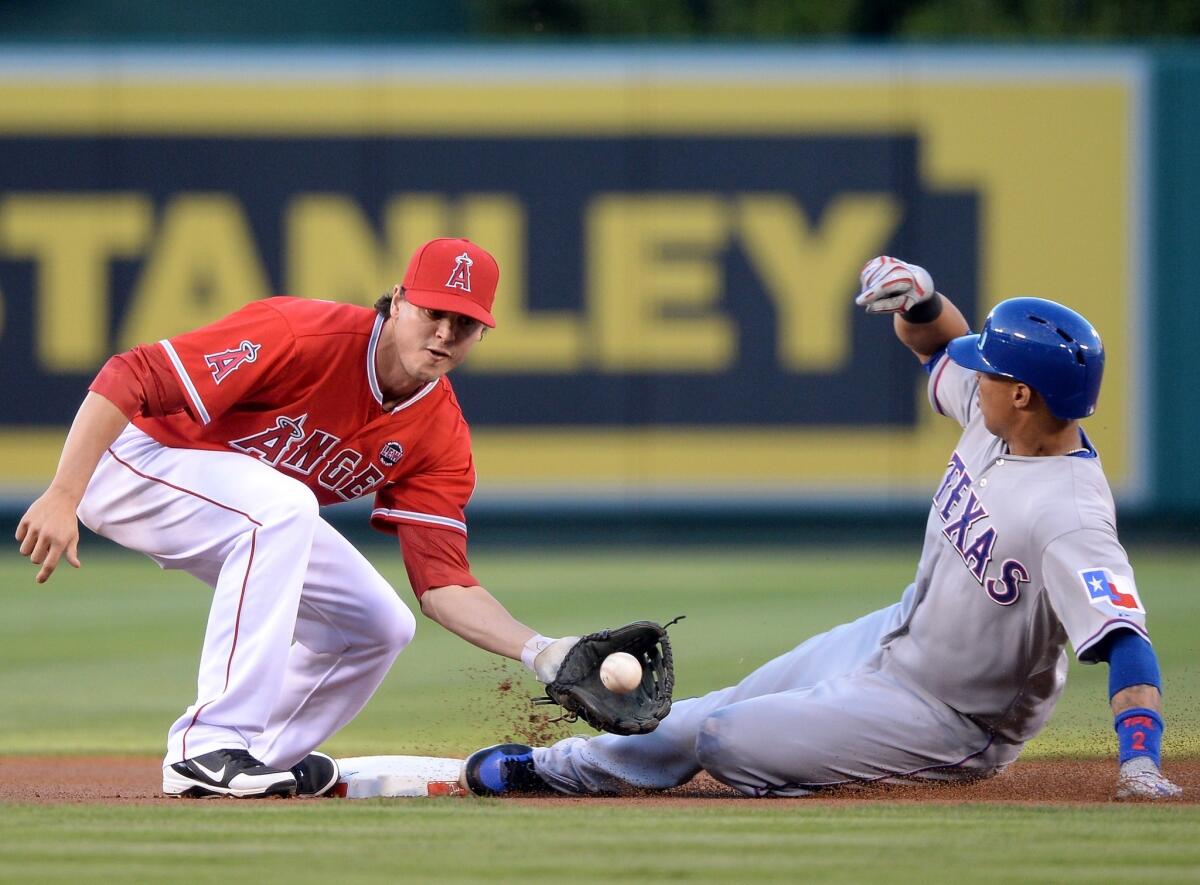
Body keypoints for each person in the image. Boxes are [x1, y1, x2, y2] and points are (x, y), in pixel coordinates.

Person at [461, 255, 1182, 802]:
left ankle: (858, 780)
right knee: (713, 709)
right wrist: (922, 299)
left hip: (955, 717)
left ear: (1023, 395)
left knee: (727, 742)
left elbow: (1126, 639)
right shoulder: (1004, 421)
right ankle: (554, 770)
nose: (975, 372)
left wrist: (1141, 759)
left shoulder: (1071, 516)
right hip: (892, 636)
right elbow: (938, 347)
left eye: (991, 371)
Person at [16, 237, 586, 799]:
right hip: (132, 459)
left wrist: (542, 651)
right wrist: (64, 493)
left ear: (482, 333)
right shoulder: (303, 335)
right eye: (433, 312)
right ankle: (207, 745)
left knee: (376, 626)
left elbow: (443, 586)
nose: (443, 334)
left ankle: (262, 756)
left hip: (240, 503)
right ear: (397, 301)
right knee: (285, 506)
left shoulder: (440, 434)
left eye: (463, 323)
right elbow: (131, 373)